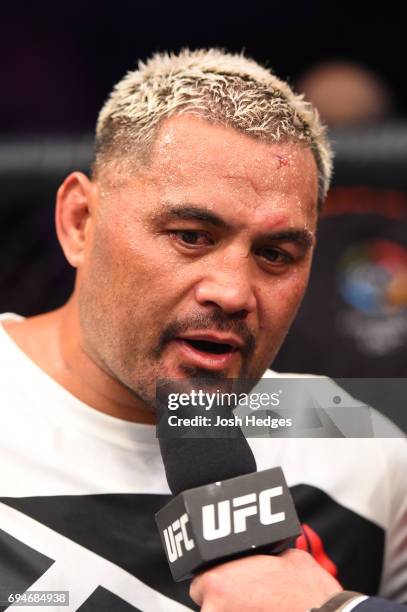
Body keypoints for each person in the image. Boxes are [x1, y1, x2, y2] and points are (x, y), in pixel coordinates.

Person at [0, 49, 405, 612]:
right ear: (79, 223)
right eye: (191, 235)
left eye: (275, 254)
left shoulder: (359, 447)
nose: (233, 292)